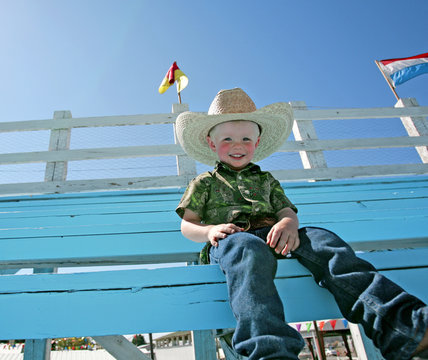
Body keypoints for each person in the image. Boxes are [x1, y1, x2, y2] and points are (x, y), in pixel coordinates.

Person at [174, 88, 428, 360]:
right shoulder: (205, 182)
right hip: (231, 243)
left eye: (246, 139)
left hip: (276, 236)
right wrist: (210, 230)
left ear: (257, 143)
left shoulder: (267, 180)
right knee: (247, 247)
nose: (238, 145)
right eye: (227, 139)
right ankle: (270, 352)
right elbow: (187, 224)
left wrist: (288, 223)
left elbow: (286, 210)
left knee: (323, 240)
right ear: (212, 145)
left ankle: (405, 327)